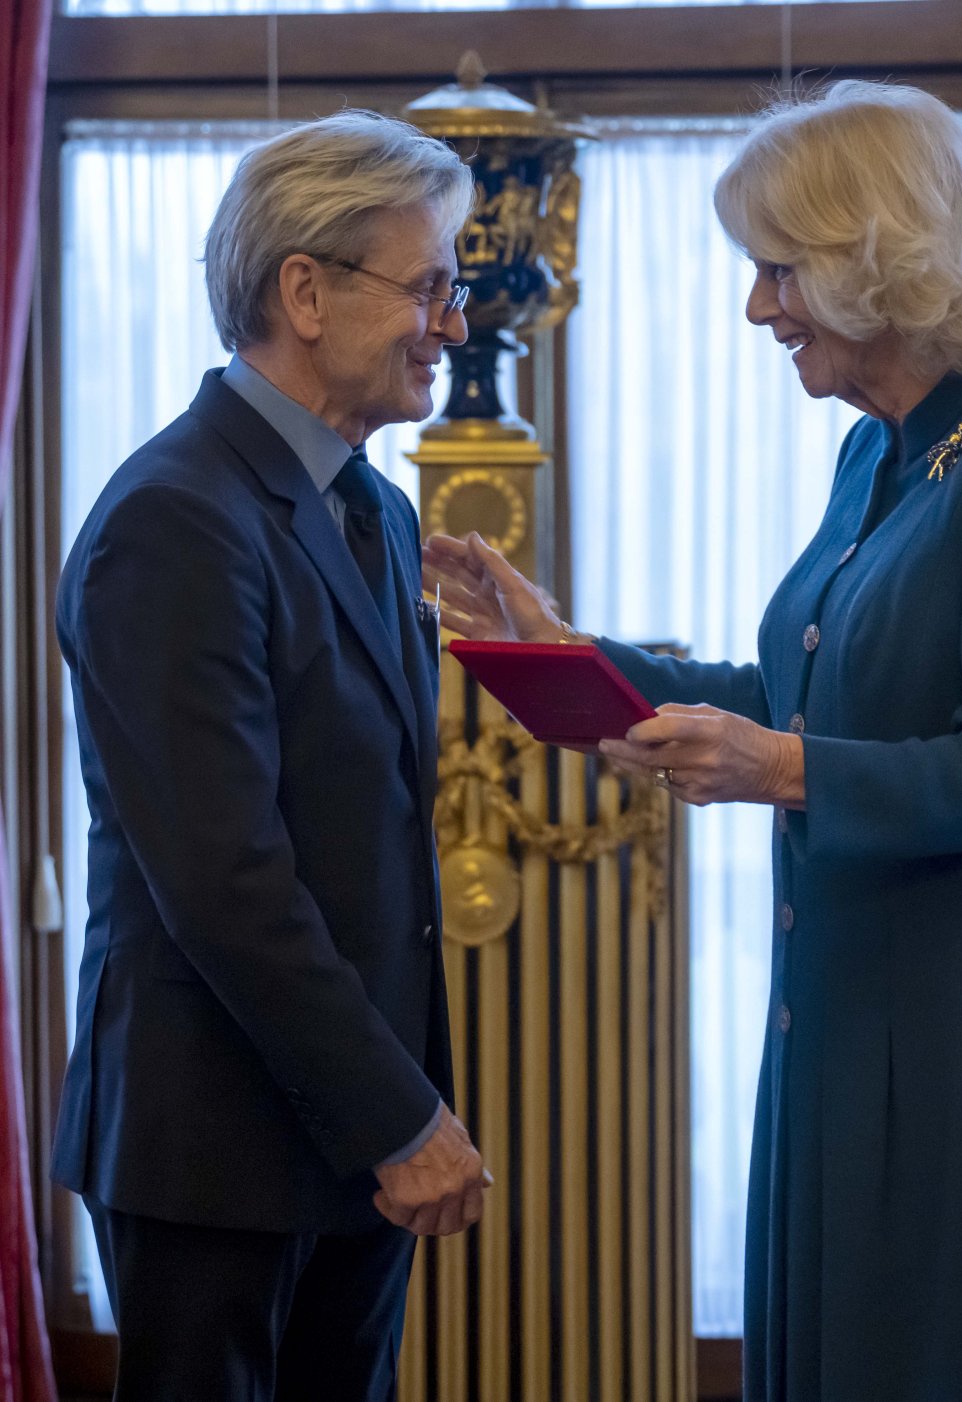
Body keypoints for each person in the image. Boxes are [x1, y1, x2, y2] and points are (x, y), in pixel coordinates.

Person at [423, 82, 962, 1401]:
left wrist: (779, 772)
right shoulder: (879, 453)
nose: (760, 308)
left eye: (780, 270)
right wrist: (571, 650)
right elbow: (794, 688)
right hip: (843, 1016)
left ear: (872, 257)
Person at [53, 111, 491, 1402]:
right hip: (216, 1154)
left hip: (346, 1135)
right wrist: (400, 1115)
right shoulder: (172, 520)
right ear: (305, 290)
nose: (453, 327)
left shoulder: (374, 506)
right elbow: (226, 882)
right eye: (432, 287)